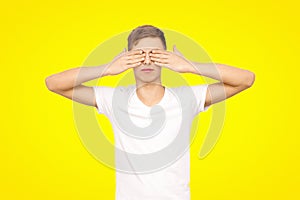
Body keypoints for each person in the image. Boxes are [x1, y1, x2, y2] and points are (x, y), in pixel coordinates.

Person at [45, 25, 255, 200]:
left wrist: (190, 66)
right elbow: (53, 83)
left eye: (155, 54)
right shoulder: (113, 99)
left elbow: (246, 79)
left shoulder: (187, 98)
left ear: (166, 58)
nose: (146, 61)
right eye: (139, 55)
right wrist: (107, 68)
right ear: (128, 58)